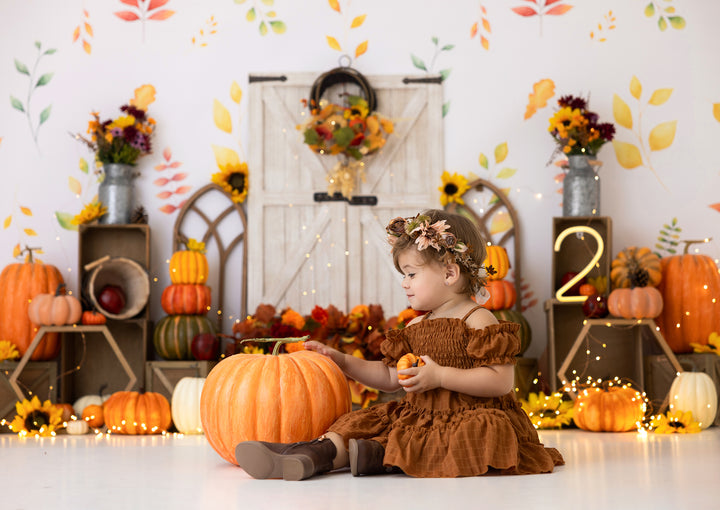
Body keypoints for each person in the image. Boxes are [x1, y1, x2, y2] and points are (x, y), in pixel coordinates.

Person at [234, 209, 564, 480]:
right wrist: (345, 362)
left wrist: (441, 377)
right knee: (362, 422)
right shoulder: (415, 325)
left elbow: (501, 380)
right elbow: (392, 377)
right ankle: (311, 453)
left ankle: (370, 457)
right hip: (419, 414)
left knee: (452, 438)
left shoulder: (477, 320)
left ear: (449, 274)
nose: (404, 283)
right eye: (403, 275)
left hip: (468, 415)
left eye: (410, 274)